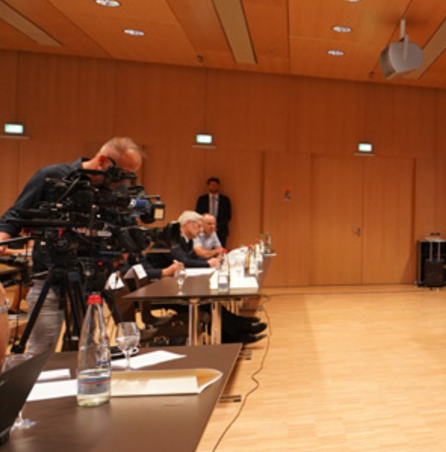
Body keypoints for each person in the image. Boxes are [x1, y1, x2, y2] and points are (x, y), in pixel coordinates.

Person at [0, 137, 143, 355]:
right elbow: (15, 215)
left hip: (93, 279)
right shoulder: (53, 176)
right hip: (51, 273)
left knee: (91, 349)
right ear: (103, 161)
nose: (122, 182)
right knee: (41, 351)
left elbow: (124, 225)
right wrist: (2, 238)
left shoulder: (114, 191)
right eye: (121, 173)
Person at [172, 211, 265, 344]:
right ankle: (237, 334)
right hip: (172, 293)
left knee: (210, 302)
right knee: (206, 305)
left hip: (181, 285)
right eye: (198, 226)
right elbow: (184, 261)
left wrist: (209, 262)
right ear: (188, 224)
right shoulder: (175, 239)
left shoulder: (187, 240)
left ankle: (241, 327)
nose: (200, 230)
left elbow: (192, 257)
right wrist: (207, 263)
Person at [196, 177, 232, 247]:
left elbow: (228, 216)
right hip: (204, 230)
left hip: (220, 230)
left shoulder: (225, 200)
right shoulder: (202, 199)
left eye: (215, 185)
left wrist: (216, 226)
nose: (213, 187)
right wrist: (207, 226)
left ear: (218, 186)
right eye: (211, 185)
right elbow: (198, 214)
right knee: (205, 250)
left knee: (220, 251)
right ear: (208, 186)